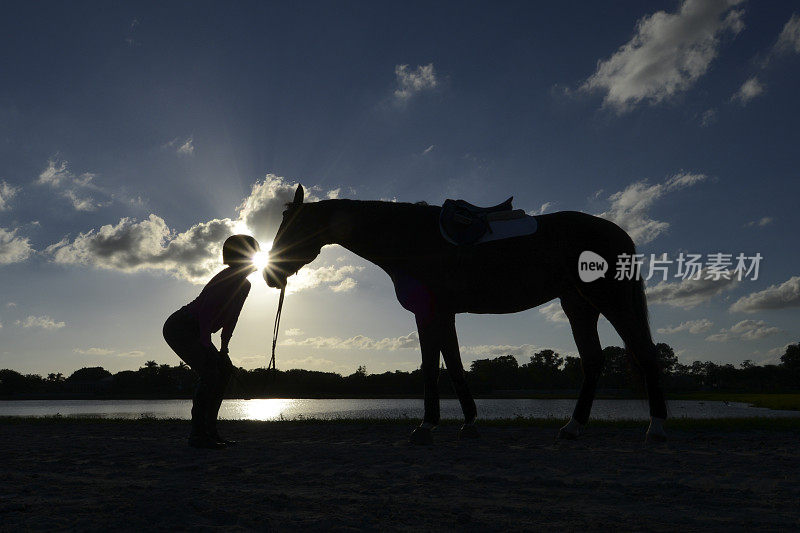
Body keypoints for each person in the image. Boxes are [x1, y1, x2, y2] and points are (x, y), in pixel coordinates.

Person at [163, 234, 259, 449]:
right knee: (210, 374)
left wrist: (224, 348)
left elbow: (232, 317)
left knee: (223, 371)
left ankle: (210, 430)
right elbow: (206, 312)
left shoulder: (245, 285)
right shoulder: (226, 278)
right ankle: (197, 434)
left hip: (197, 331)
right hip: (181, 327)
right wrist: (207, 345)